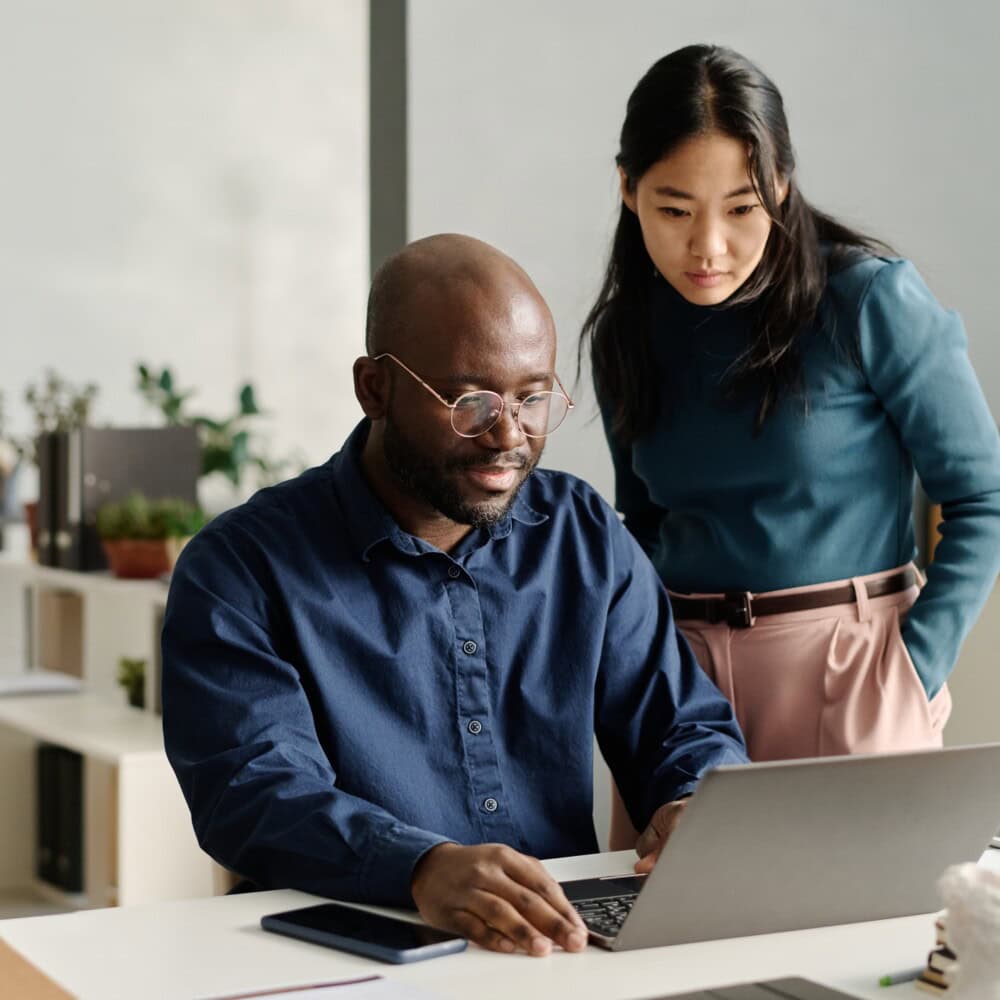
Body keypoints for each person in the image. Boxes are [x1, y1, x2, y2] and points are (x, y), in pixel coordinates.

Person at [162, 233, 748, 956]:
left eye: (533, 398)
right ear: (375, 388)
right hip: (347, 953)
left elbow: (681, 723)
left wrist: (694, 802)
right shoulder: (241, 568)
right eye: (470, 402)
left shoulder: (582, 533)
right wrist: (418, 867)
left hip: (554, 951)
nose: (508, 436)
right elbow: (254, 792)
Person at [579, 44, 1000, 850]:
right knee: (667, 918)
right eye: (675, 210)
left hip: (853, 671)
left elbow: (983, 495)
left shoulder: (866, 298)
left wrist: (913, 667)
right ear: (629, 190)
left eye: (741, 208)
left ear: (780, 184)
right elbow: (642, 527)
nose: (708, 246)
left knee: (861, 918)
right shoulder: (627, 333)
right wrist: (648, 672)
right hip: (684, 692)